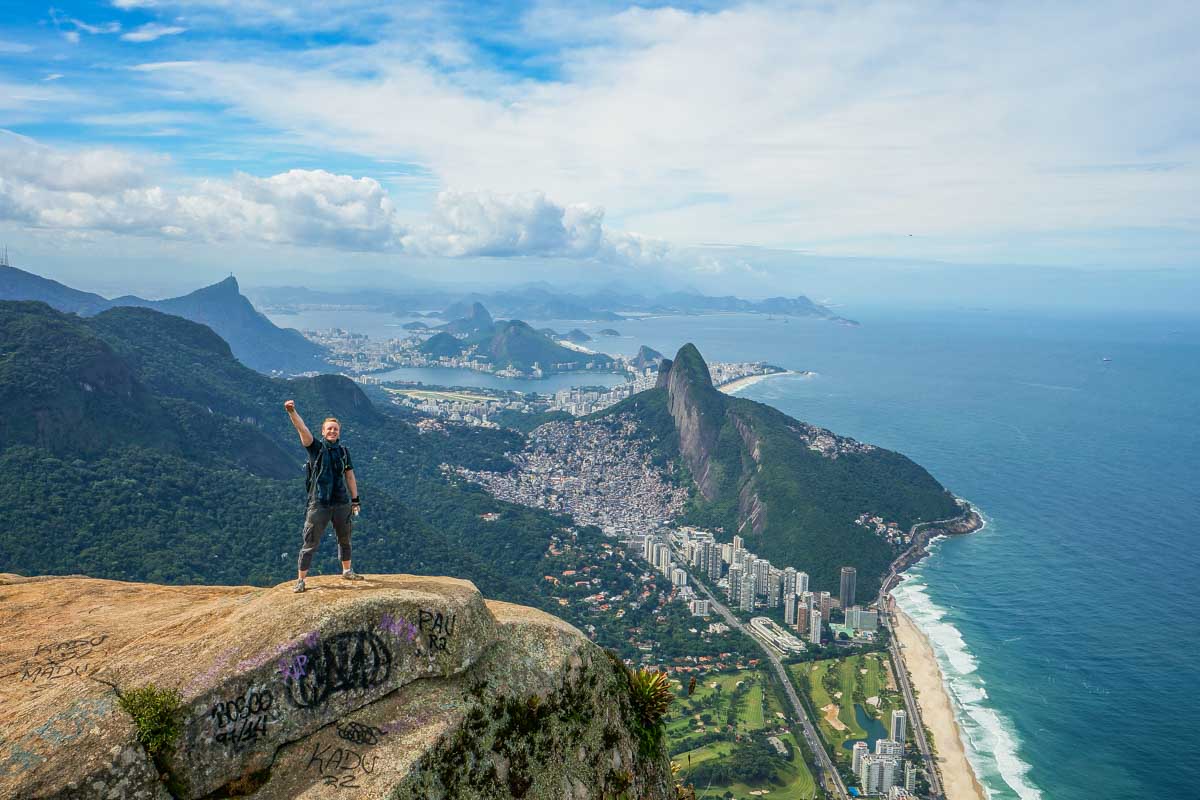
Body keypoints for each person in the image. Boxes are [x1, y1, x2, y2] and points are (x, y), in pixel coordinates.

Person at [284, 399, 362, 592]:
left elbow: (350, 476)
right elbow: (302, 430)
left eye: (335, 429)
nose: (332, 432)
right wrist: (292, 412)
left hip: (341, 502)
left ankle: (347, 571)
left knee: (345, 539)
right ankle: (301, 580)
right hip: (319, 502)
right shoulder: (315, 448)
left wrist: (355, 500)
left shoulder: (344, 452)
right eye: (329, 429)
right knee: (310, 542)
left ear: (339, 432)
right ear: (322, 431)